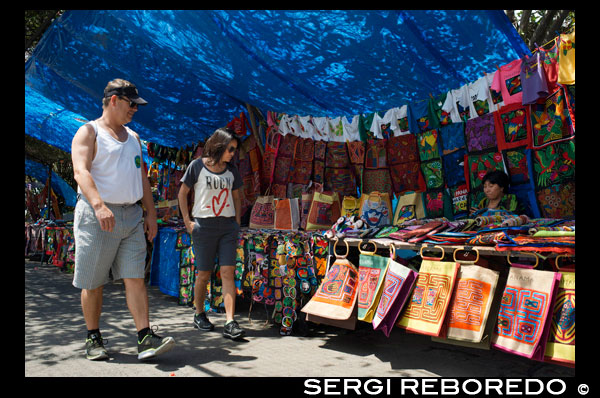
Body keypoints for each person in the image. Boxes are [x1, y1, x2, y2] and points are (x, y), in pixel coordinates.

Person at [71, 79, 175, 361]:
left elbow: (141, 177)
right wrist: (99, 205)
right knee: (93, 282)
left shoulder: (134, 138)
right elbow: (81, 171)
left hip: (131, 217)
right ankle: (93, 337)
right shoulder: (88, 132)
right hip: (98, 216)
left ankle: (144, 337)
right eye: (132, 104)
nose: (135, 110)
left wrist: (151, 213)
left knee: (135, 278)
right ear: (114, 100)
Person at [178, 127, 245, 340]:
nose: (233, 153)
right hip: (203, 227)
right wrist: (188, 221)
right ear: (219, 146)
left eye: (235, 149)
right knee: (203, 274)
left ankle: (230, 321)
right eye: (230, 148)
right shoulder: (196, 166)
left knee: (228, 272)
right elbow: (182, 194)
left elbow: (236, 197)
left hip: (227, 228)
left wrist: (235, 222)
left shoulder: (232, 170)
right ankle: (199, 313)